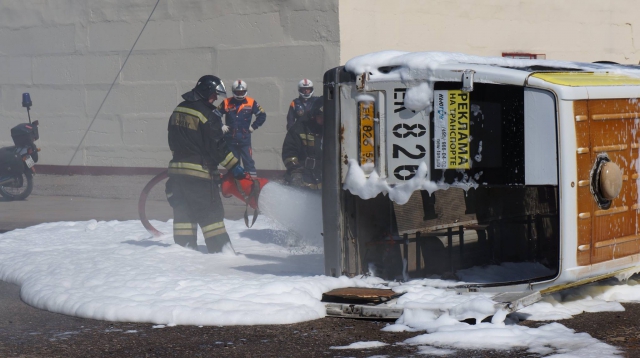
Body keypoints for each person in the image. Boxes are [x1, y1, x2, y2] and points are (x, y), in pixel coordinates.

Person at [165, 75, 247, 253]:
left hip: (177, 175)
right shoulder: (207, 114)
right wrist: (234, 166)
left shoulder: (179, 109)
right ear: (206, 92)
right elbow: (216, 146)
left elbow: (172, 139)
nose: (215, 99)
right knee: (212, 217)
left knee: (183, 216)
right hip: (199, 176)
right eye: (214, 95)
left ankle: (183, 253)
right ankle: (222, 254)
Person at [217, 80, 266, 178]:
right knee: (233, 164)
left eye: (242, 92)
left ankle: (253, 182)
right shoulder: (226, 102)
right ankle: (233, 184)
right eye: (238, 92)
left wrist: (254, 126)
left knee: (248, 161)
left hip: (244, 139)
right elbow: (215, 115)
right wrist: (221, 125)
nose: (240, 94)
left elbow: (262, 115)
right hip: (230, 139)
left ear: (245, 91)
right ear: (233, 91)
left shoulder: (251, 102)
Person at [282, 98, 323, 190]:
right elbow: (289, 151)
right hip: (303, 176)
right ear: (314, 114)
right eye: (320, 117)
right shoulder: (300, 127)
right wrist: (295, 171)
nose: (323, 120)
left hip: (326, 179)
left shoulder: (334, 129)